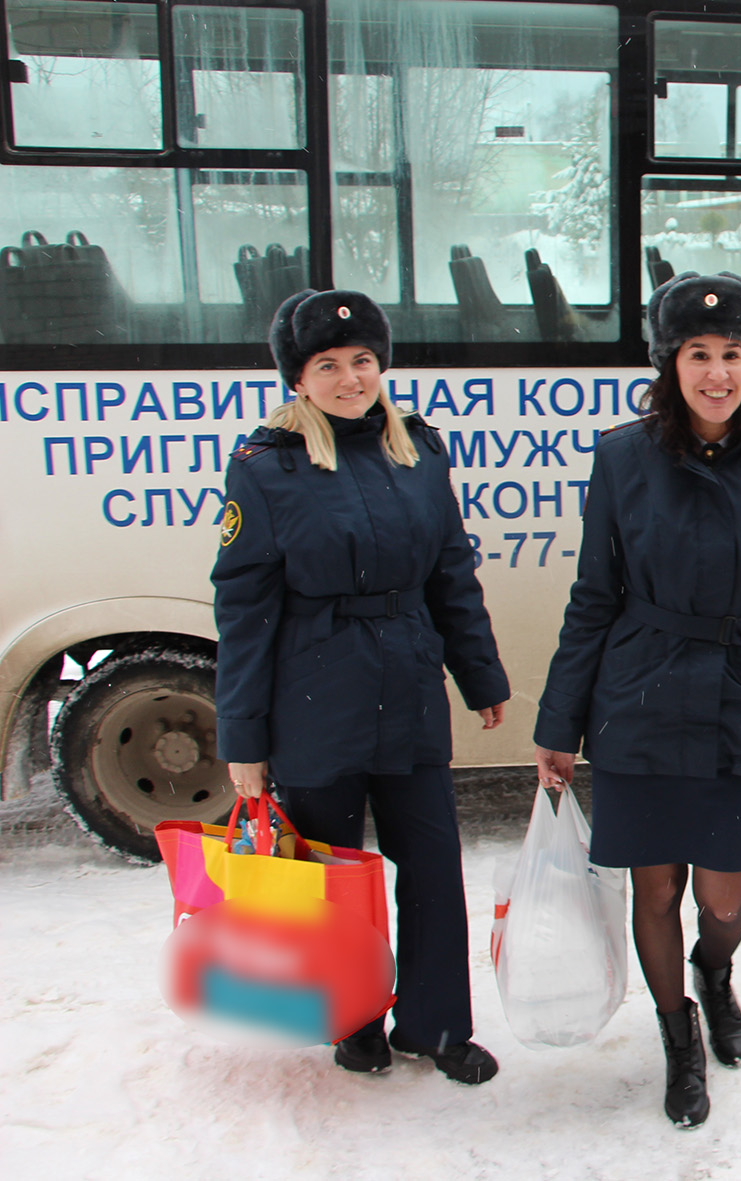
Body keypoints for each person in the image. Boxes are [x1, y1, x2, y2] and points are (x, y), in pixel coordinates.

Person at [532, 271, 741, 1129]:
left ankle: (715, 972)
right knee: (655, 888)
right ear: (670, 364)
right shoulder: (622, 455)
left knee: (723, 897)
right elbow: (593, 595)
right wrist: (559, 724)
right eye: (698, 354)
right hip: (638, 697)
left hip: (738, 698)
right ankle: (678, 1035)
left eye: (733, 354)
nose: (717, 372)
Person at [213, 289, 510, 1084]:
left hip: (409, 684)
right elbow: (243, 611)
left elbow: (452, 573)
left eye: (364, 360)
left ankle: (438, 1025)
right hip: (314, 696)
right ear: (298, 379)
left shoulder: (419, 451)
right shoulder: (266, 469)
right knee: (333, 874)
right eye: (329, 365)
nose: (351, 378)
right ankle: (353, 1020)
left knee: (433, 864)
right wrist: (243, 740)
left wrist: (478, 672)